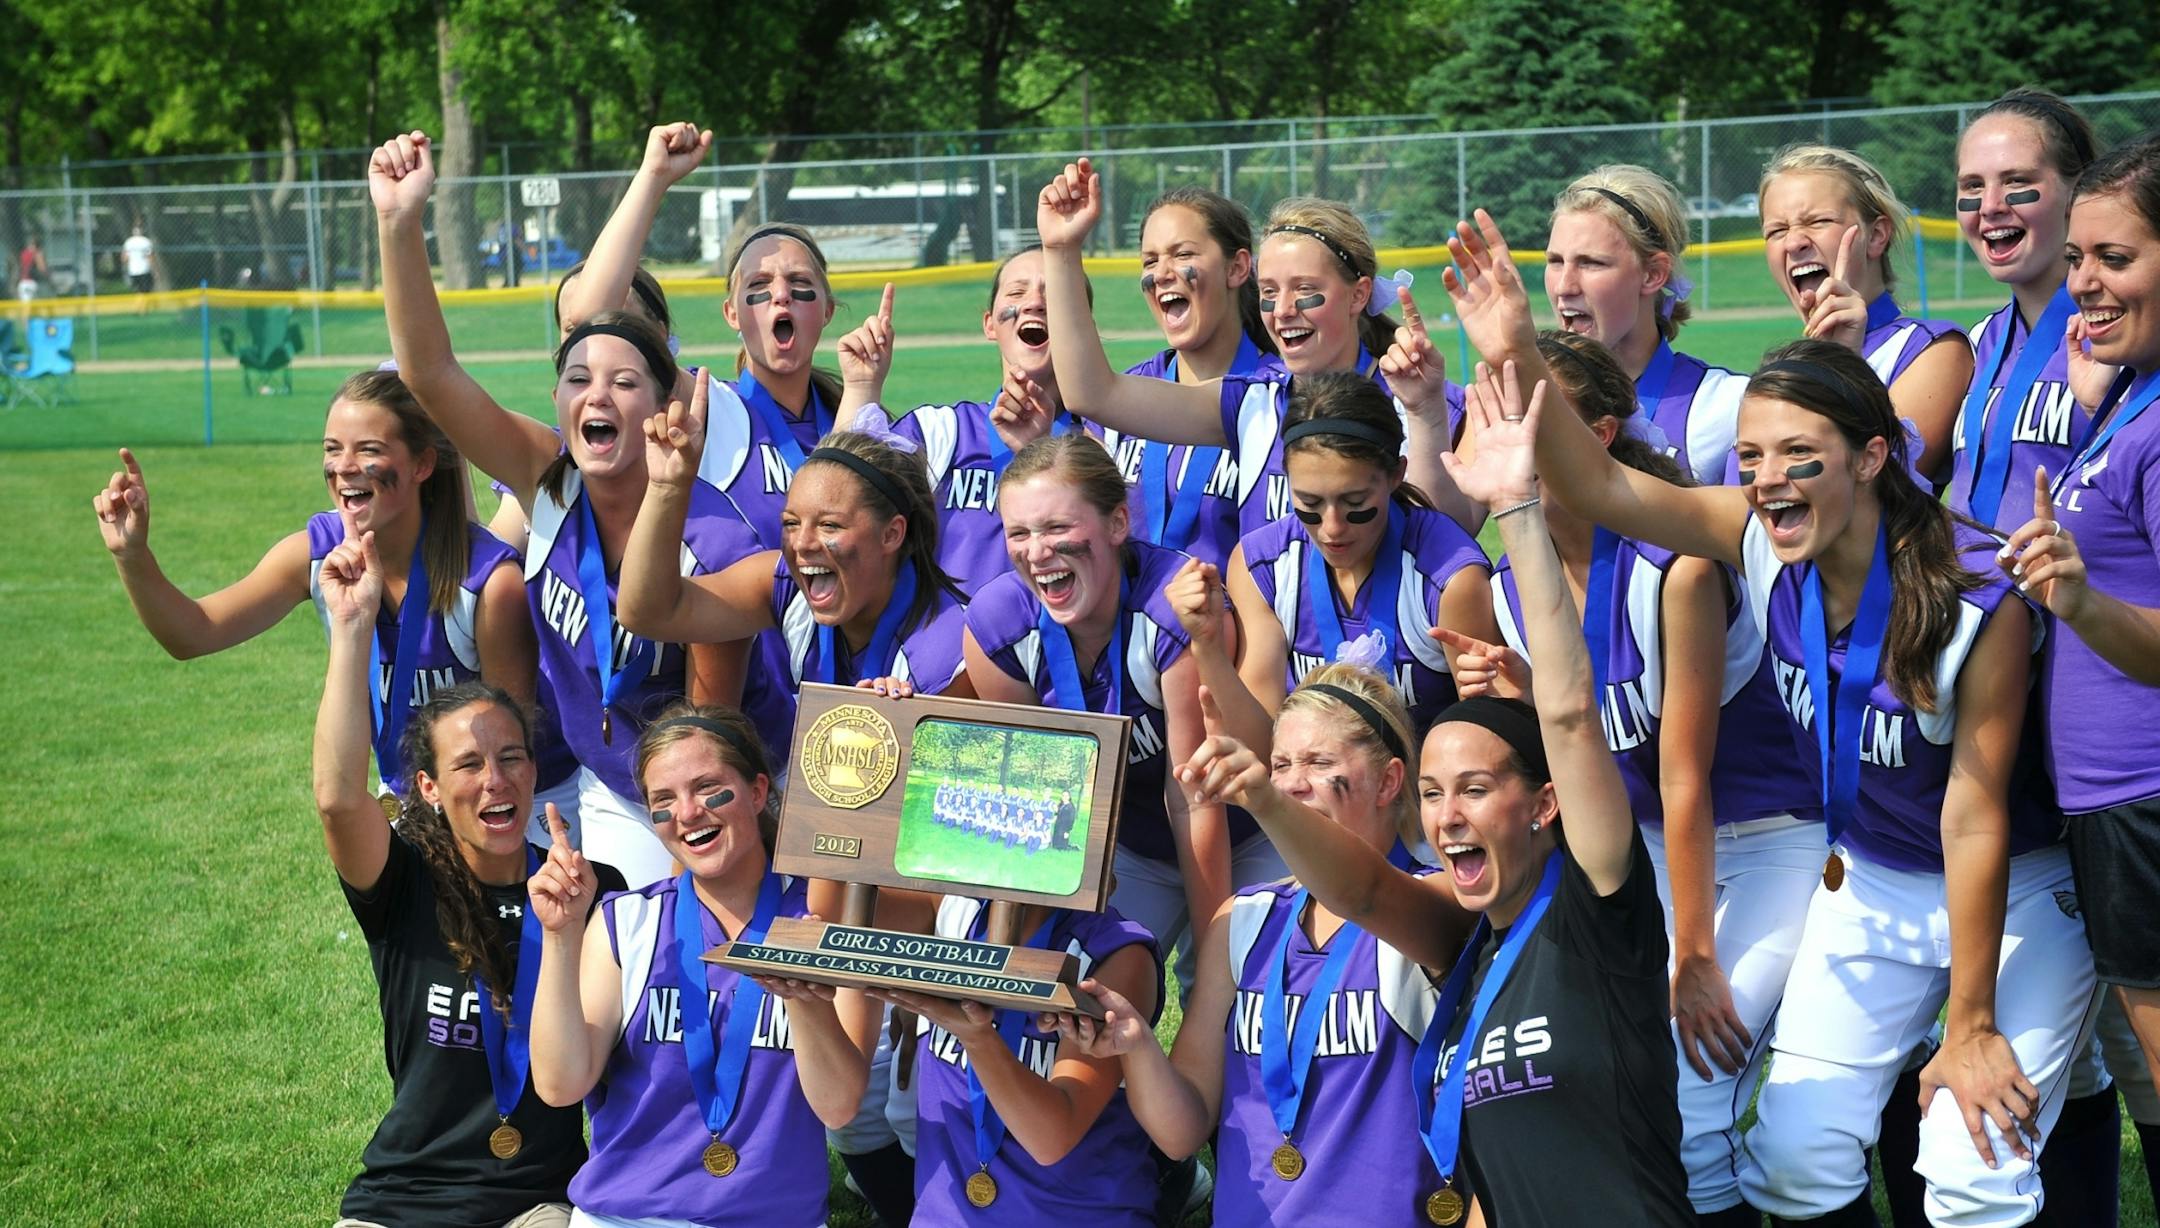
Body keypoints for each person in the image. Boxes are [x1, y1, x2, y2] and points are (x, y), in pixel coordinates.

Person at [1445, 206, 2098, 1225]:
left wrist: (1969, 1022)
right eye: (1749, 456)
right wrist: (1519, 353)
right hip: (1872, 874)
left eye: (1798, 453)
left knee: (1974, 1162)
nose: (1764, 480)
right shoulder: (1757, 536)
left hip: (2009, 890)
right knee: (1791, 1155)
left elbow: (1976, 816)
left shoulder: (1978, 597)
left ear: (1875, 455)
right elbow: (1603, 483)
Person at [1177, 360, 1690, 1226]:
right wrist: (1250, 747)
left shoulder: (1593, 905)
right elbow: (1363, 878)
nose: (1330, 527)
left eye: (1476, 789)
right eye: (1307, 508)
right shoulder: (1461, 937)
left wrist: (1518, 513)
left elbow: (1558, 725)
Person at [1461, 329, 1821, 1224]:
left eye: (1533, 422)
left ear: (1603, 436)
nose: (1509, 441)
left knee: (1696, 1097)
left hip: (1775, 841)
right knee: (1631, 1076)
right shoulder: (1514, 582)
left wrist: (1692, 955)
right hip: (1655, 850)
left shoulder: (1678, 570)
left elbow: (1686, 776)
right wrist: (1526, 693)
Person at [374, 129, 758, 887]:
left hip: (692, 798)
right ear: (556, 402)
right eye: (578, 378)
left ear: (661, 404)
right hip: (588, 787)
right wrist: (398, 222)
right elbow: (428, 371)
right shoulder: (548, 479)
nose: (597, 394)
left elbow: (708, 742)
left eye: (624, 381)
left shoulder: (706, 535)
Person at [1054, 663, 1466, 1222]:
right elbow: (1182, 1131)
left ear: (1390, 781)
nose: (1294, 782)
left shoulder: (1435, 903)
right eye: (1280, 765)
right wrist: (1135, 1046)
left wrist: (1266, 801)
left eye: (1320, 763)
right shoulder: (1244, 920)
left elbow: (1365, 893)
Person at [311, 522, 625, 1228]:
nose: (496, 781)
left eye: (512, 757)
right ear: (426, 787)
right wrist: (353, 625)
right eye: (469, 766)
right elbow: (337, 799)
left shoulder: (589, 889)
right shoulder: (404, 882)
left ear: (535, 769)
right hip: (400, 1201)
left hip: (538, 1205)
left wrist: (571, 930)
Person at [92, 369, 535, 795]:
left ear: (421, 464)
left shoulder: (488, 583)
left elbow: (510, 756)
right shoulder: (316, 552)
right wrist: (132, 555)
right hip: (409, 796)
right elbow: (192, 633)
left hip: (503, 801)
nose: (343, 467)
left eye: (368, 450)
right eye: (331, 449)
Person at [526, 704, 878, 1227]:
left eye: (707, 787)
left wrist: (803, 995)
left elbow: (838, 1107)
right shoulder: (629, 922)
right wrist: (560, 936)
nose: (688, 813)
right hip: (626, 1218)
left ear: (758, 791)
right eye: (663, 800)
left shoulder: (824, 926)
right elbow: (559, 1085)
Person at [964, 433, 1280, 991]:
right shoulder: (998, 631)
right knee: (1085, 974)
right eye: (1020, 533)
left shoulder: (1172, 610)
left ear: (1116, 525)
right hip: (1127, 843)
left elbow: (1193, 798)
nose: (1037, 552)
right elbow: (1030, 793)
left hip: (1243, 828)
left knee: (1245, 971)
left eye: (1058, 528)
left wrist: (1211, 956)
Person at [1035, 159, 1481, 543]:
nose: (1283, 311)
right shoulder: (1254, 401)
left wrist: (1424, 413)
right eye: (1269, 292)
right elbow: (1092, 394)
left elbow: (1446, 537)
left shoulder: (1420, 400)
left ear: (1359, 294)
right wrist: (1060, 249)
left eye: (1305, 290)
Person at [2001, 128, 2160, 1208]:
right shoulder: (2130, 397)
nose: (2086, 285)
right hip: (2111, 804)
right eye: (2079, 261)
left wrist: (2080, 599)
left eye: (2116, 259)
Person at [615, 380, 972, 765]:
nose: (802, 543)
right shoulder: (789, 585)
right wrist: (668, 487)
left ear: (892, 533)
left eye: (829, 526)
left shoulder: (944, 656)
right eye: (790, 522)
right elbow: (647, 613)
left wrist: (906, 735)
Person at [557, 122, 843, 548]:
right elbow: (590, 317)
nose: (781, 295)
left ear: (827, 311)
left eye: (798, 281)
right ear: (732, 314)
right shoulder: (705, 403)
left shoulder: (850, 414)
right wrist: (653, 178)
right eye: (759, 286)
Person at [1215, 370, 1496, 737]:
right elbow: (1262, 745)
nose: (1331, 528)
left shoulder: (1449, 579)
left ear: (1397, 474)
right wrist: (1208, 651)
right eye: (1309, 502)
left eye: (1355, 502)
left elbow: (1487, 741)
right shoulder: (1261, 568)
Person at [872, 889, 1162, 1225]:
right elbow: (832, 904)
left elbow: (1051, 1139)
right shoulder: (953, 908)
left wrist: (977, 1038)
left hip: (1075, 1216)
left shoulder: (1117, 955)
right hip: (947, 1215)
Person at [834, 249, 1098, 595]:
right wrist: (861, 386)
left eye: (1054, 295)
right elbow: (839, 502)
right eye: (1017, 293)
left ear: (1084, 323)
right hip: (951, 647)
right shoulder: (941, 432)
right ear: (990, 324)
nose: (1034, 303)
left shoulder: (1106, 444)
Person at [1756, 144, 1974, 480]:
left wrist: (1840, 364)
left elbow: (1885, 486)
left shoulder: (1931, 349)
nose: (1793, 243)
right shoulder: (1783, 367)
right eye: (1777, 231)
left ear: (1876, 236)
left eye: (1818, 221)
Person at [1105, 186, 1282, 567]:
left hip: (1239, 622)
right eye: (1149, 261)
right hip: (1140, 623)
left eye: (1182, 254)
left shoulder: (1281, 395)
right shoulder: (1126, 396)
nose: (1161, 273)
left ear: (1237, 268)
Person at [1547, 166, 1747, 485]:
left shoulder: (1723, 407)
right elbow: (1452, 521)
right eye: (1555, 262)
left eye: (1591, 263)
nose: (1564, 286)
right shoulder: (1532, 394)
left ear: (1653, 274)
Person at [123, 221, 154, 300]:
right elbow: (150, 257)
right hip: (144, 269)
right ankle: (143, 308)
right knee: (145, 290)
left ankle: (139, 306)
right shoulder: (146, 241)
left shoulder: (128, 242)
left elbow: (124, 258)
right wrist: (154, 269)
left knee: (137, 290)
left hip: (133, 270)